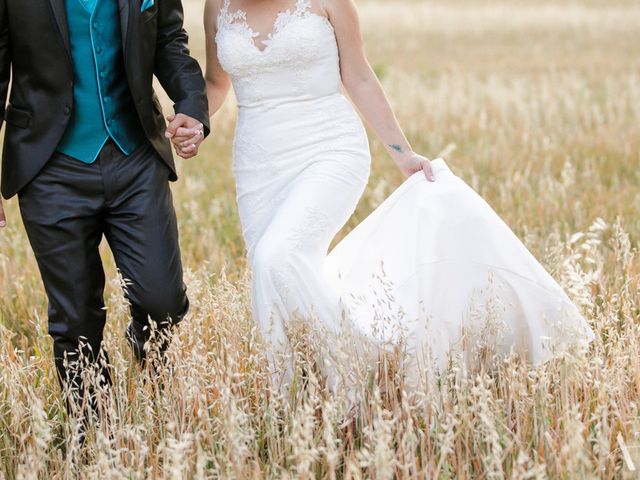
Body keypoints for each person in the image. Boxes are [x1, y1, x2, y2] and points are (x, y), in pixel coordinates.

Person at [177, 0, 594, 394]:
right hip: (258, 168)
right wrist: (194, 120)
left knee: (276, 254)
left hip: (329, 150)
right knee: (276, 270)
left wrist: (403, 154)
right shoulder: (219, 5)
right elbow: (217, 82)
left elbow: (357, 75)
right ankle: (301, 394)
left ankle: (354, 385)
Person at [0, 0, 209, 416]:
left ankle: (147, 354)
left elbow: (169, 41)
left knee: (162, 300)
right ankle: (96, 432)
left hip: (136, 157)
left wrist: (191, 107)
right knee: (75, 320)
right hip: (50, 166)